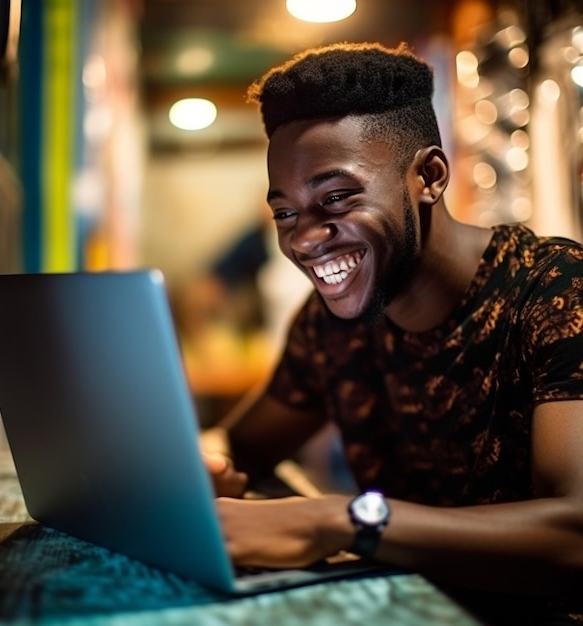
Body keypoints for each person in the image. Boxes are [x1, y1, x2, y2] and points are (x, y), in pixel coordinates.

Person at [201, 41, 583, 625]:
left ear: (428, 177)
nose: (303, 239)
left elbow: (573, 534)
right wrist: (208, 461)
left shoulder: (554, 292)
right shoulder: (330, 323)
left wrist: (341, 519)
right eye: (286, 212)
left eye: (336, 198)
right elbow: (245, 444)